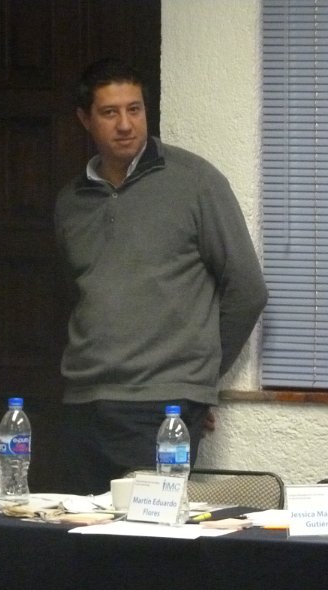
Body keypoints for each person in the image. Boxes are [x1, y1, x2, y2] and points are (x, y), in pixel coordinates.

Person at [54, 58, 268, 494]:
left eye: (134, 109)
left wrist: (198, 381)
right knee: (78, 529)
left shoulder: (195, 181)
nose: (125, 124)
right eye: (110, 112)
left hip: (161, 404)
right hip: (83, 399)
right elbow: (77, 294)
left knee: (148, 531)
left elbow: (247, 290)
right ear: (85, 119)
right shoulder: (70, 201)